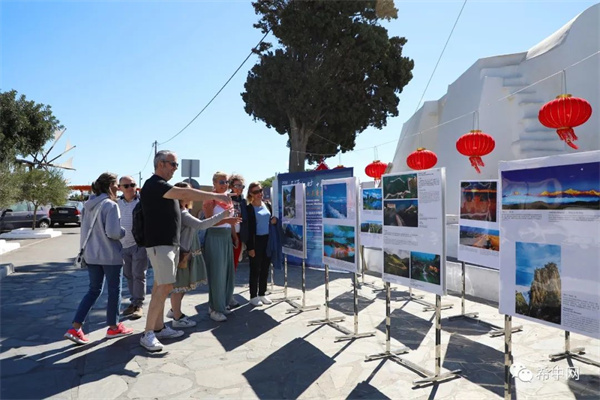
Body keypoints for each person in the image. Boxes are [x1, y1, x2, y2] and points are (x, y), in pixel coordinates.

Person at [139, 151, 232, 352]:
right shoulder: (155, 184)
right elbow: (185, 194)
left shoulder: (161, 187)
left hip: (167, 245)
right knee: (164, 287)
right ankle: (148, 333)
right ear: (161, 164)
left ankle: (158, 327)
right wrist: (216, 195)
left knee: (161, 287)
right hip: (160, 244)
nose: (175, 168)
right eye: (173, 164)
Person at [64, 173, 133, 345]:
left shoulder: (88, 205)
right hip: (110, 255)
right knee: (114, 291)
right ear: (110, 186)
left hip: (91, 255)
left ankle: (75, 327)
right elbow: (114, 233)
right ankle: (114, 327)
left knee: (93, 290)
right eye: (117, 184)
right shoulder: (110, 205)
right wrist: (123, 231)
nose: (118, 188)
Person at [167, 182, 241, 328]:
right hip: (183, 251)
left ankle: (174, 311)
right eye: (188, 193)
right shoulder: (182, 212)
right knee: (180, 285)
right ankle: (177, 317)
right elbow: (202, 224)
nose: (191, 196)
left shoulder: (181, 210)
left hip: (186, 250)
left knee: (183, 285)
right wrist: (224, 215)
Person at [202, 172, 238, 322]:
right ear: (214, 183)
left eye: (226, 182)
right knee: (217, 273)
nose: (224, 185)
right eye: (221, 182)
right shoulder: (210, 199)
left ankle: (222, 304)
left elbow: (230, 223)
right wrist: (227, 220)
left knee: (227, 272)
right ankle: (215, 308)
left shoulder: (228, 199)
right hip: (215, 236)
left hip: (226, 237)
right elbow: (208, 222)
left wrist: (234, 236)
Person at [117, 176, 148, 320]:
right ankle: (133, 302)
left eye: (133, 185)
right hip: (122, 245)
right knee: (128, 275)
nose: (130, 188)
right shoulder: (116, 204)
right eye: (126, 185)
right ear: (120, 188)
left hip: (139, 244)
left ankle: (138, 305)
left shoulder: (143, 202)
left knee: (139, 275)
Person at [245, 182, 278, 306]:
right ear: (250, 194)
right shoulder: (249, 209)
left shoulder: (267, 205)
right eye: (255, 192)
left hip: (267, 240)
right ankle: (253, 296)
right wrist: (250, 247)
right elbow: (248, 230)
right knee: (255, 269)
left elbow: (271, 220)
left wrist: (274, 221)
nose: (259, 194)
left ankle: (262, 293)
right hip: (256, 241)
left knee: (265, 268)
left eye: (260, 191)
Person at [229, 174, 249, 272]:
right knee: (227, 263)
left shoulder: (243, 201)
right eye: (237, 185)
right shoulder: (227, 199)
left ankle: (231, 285)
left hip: (240, 234)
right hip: (228, 234)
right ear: (231, 187)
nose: (240, 188)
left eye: (242, 186)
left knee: (235, 263)